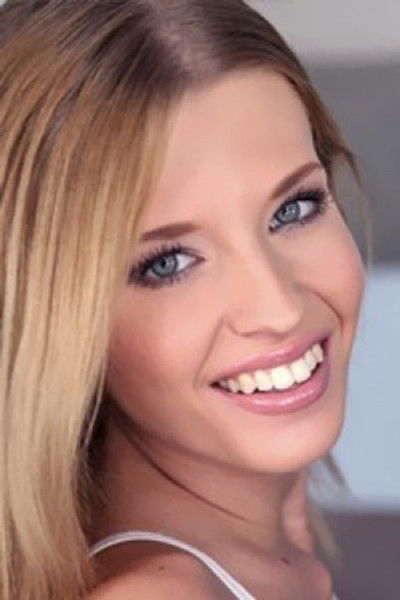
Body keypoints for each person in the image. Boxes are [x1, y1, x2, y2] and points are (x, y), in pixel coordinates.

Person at [0, 1, 365, 598]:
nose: (279, 308)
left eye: (293, 209)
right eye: (167, 263)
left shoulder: (272, 552)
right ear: (54, 322)